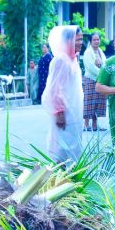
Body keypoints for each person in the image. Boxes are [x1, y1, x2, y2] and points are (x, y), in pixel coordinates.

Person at [42, 26, 84, 163]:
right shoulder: (61, 60)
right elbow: (54, 89)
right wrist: (59, 113)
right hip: (64, 115)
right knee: (61, 148)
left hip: (74, 113)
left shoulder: (73, 59)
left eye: (81, 39)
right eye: (77, 39)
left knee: (73, 146)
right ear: (69, 40)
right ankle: (60, 179)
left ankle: (72, 179)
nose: (80, 42)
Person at [81, 33, 107, 132]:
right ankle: (86, 124)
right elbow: (90, 67)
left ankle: (95, 124)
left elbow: (104, 64)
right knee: (89, 102)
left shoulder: (100, 52)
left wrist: (104, 75)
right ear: (91, 41)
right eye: (94, 40)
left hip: (100, 80)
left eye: (98, 39)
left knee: (98, 102)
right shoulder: (88, 52)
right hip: (91, 79)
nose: (96, 41)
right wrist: (102, 74)